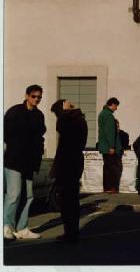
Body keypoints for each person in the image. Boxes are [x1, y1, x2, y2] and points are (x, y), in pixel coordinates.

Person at [3, 85, 46, 240]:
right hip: (14, 160)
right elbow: (6, 134)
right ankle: (6, 226)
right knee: (13, 195)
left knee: (28, 196)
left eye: (39, 97)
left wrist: (38, 155)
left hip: (29, 162)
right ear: (27, 95)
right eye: (34, 96)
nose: (36, 99)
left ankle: (22, 229)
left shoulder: (39, 115)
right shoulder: (14, 112)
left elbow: (40, 136)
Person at [50, 99, 88, 243]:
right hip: (72, 162)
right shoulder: (77, 119)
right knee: (69, 199)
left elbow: (61, 128)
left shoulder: (72, 120)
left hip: (69, 163)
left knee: (68, 200)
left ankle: (71, 233)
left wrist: (64, 112)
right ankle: (71, 232)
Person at [97, 97, 122, 193]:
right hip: (109, 147)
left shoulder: (102, 114)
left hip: (104, 146)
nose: (116, 108)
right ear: (112, 104)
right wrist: (112, 146)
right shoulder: (108, 115)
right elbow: (110, 132)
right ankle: (111, 187)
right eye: (116, 106)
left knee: (107, 167)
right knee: (112, 168)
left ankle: (106, 187)